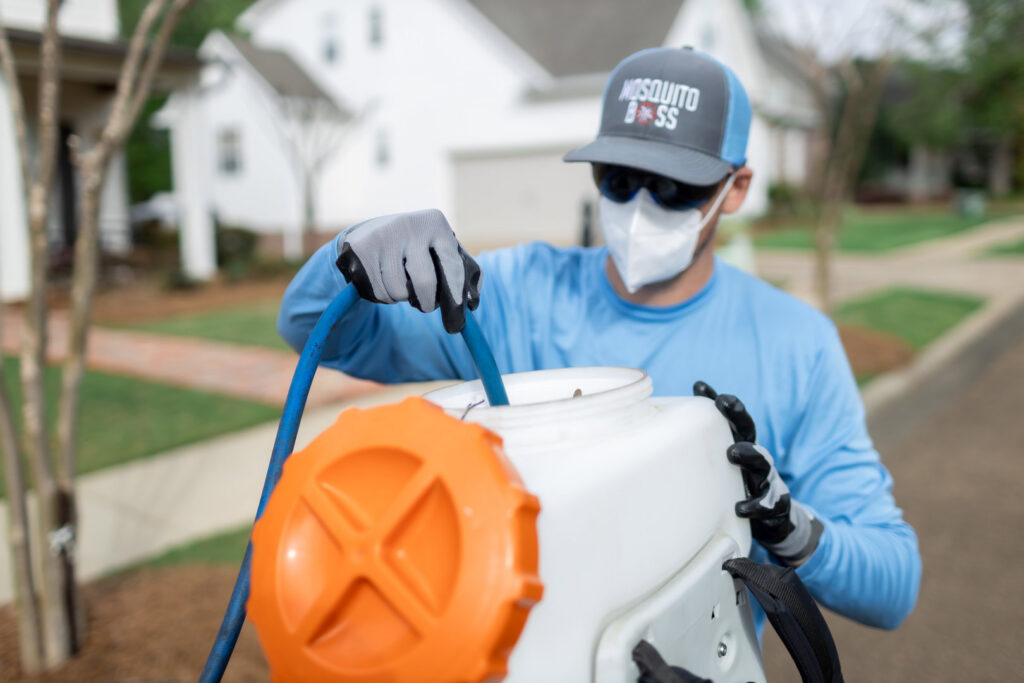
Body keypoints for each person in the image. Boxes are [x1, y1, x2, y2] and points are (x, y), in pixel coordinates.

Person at [277, 47, 920, 634]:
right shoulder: (516, 293)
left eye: (675, 187)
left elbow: (892, 585)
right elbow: (315, 333)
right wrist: (350, 255)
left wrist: (788, 525)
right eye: (618, 177)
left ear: (736, 188)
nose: (641, 205)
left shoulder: (796, 344)